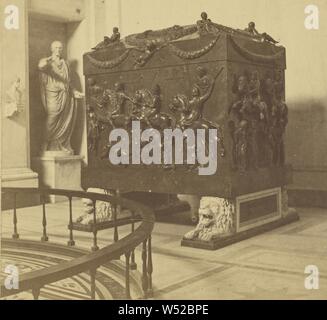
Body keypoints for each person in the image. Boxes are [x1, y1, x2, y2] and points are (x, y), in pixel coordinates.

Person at [38, 41, 84, 154]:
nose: (58, 50)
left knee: (64, 118)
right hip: (52, 94)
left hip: (65, 94)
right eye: (56, 48)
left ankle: (59, 143)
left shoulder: (65, 63)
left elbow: (68, 81)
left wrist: (74, 91)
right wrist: (48, 59)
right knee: (52, 116)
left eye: (60, 48)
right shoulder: (47, 62)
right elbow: (41, 67)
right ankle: (46, 141)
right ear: (51, 49)